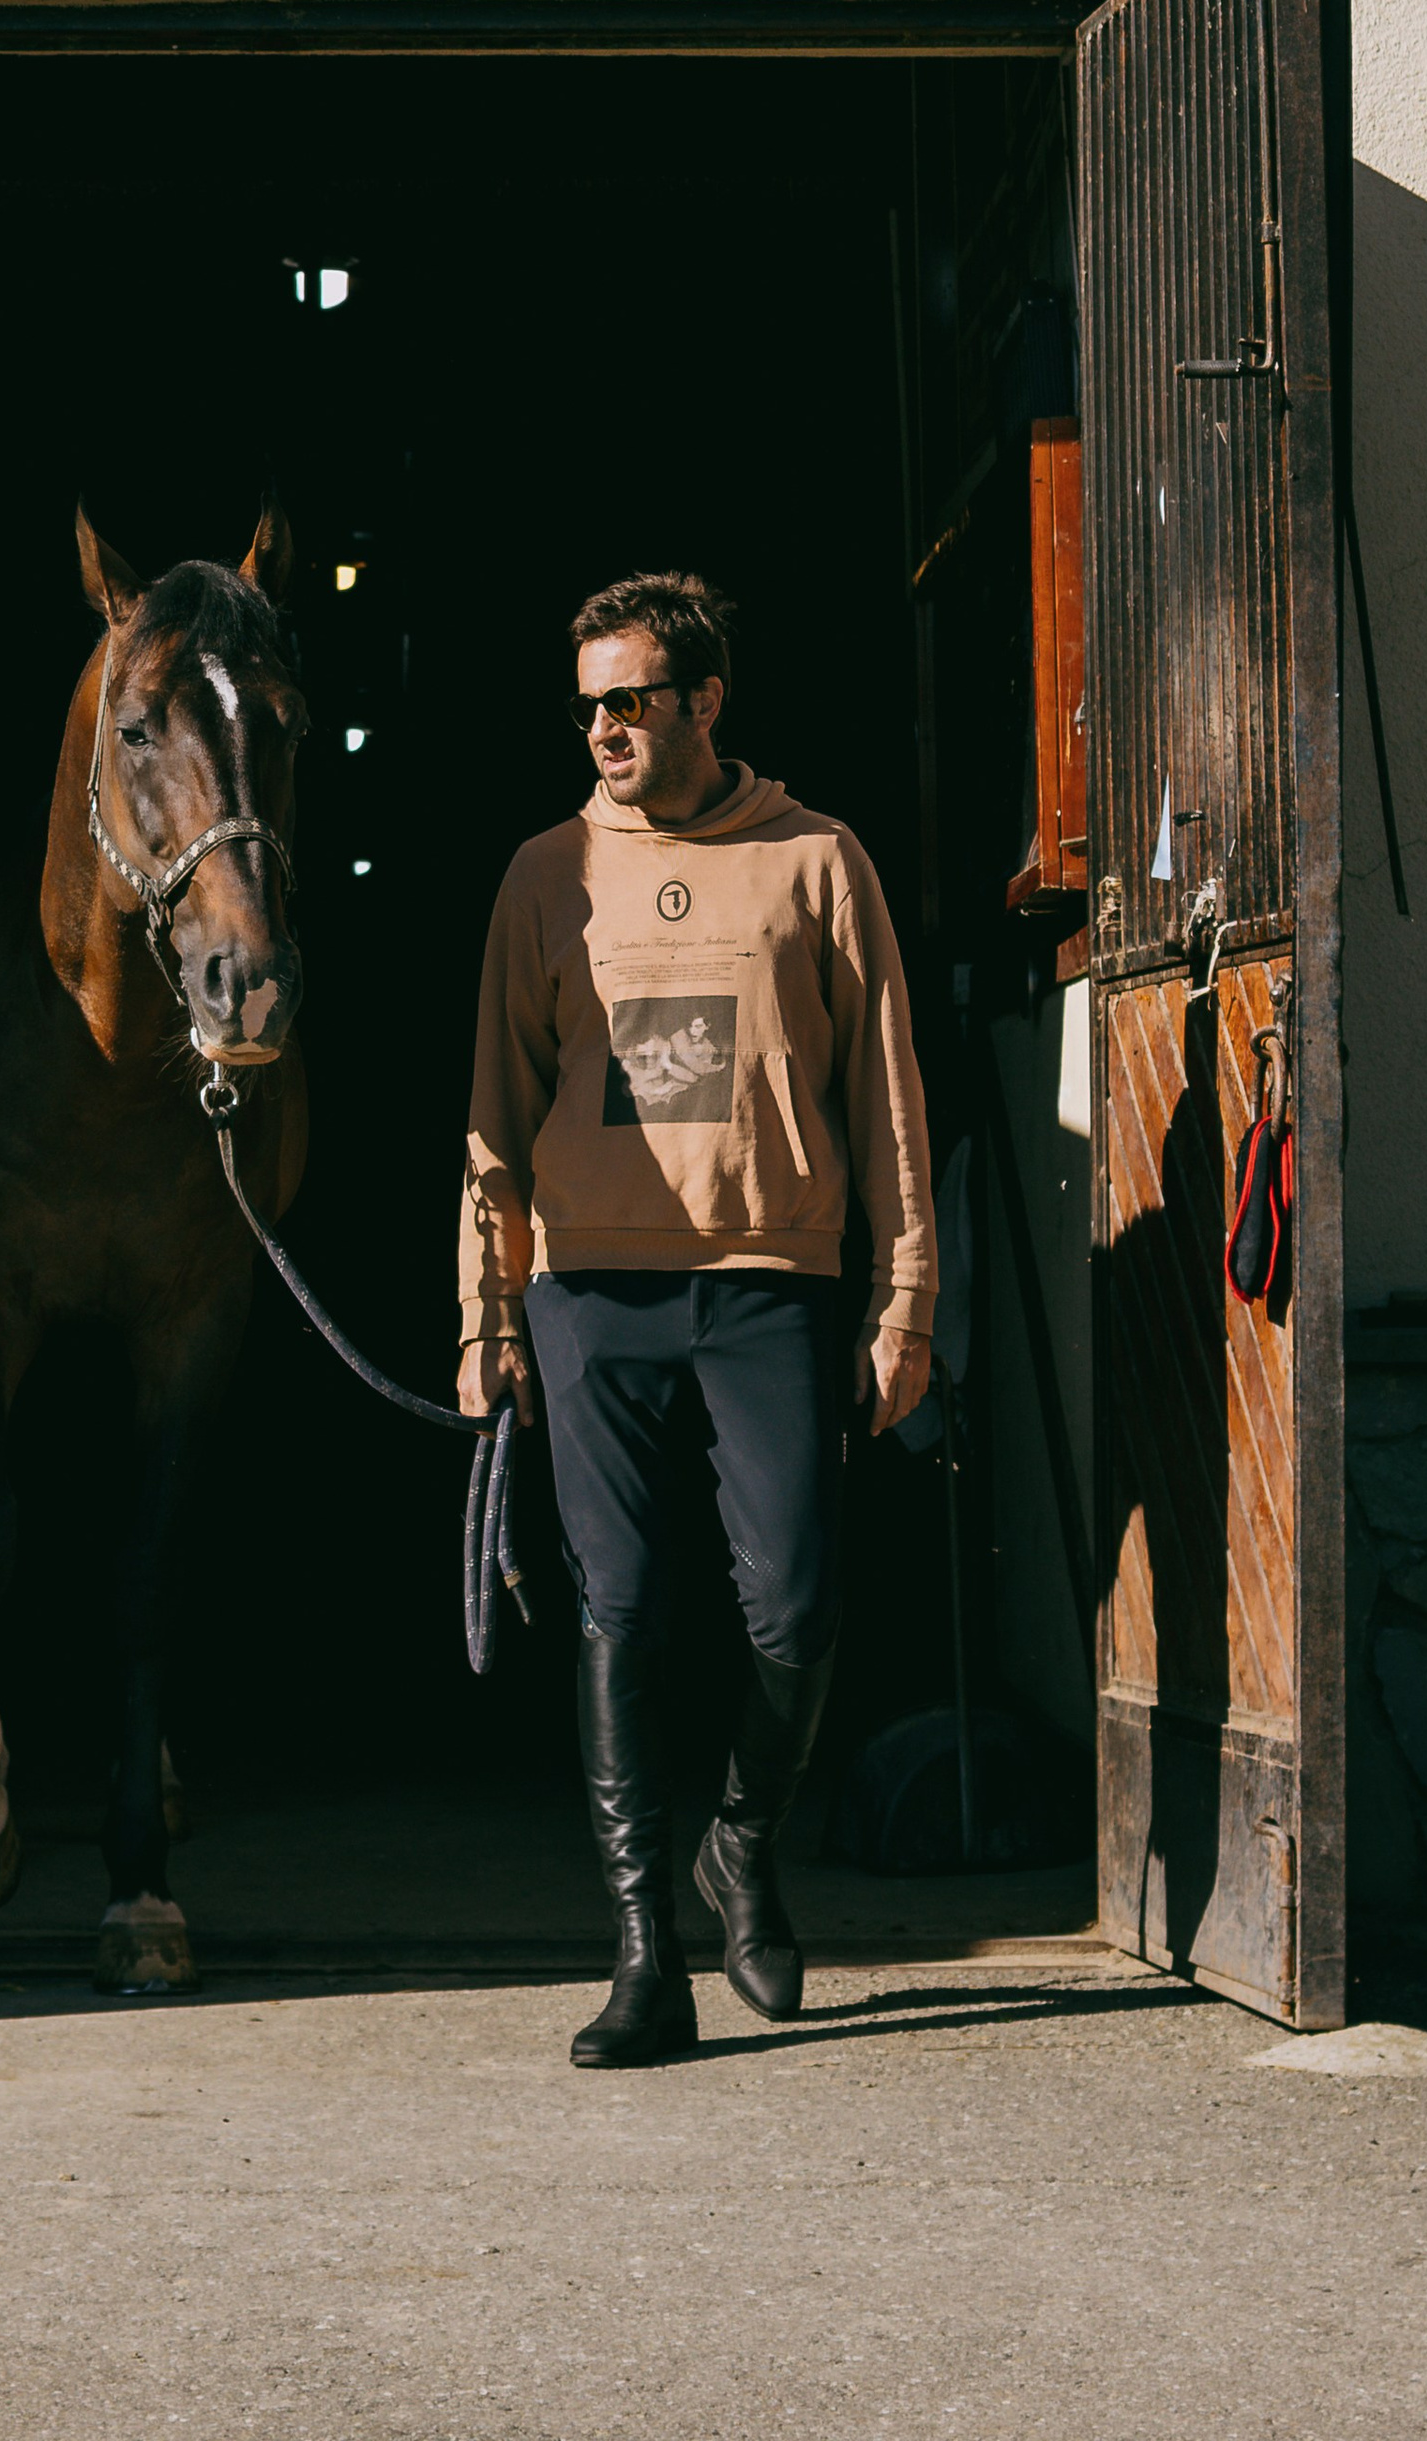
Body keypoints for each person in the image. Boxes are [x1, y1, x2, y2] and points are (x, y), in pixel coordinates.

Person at [457, 569, 936, 2069]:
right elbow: (494, 1110)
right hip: (592, 1288)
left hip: (768, 1282)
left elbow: (890, 1102)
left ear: (706, 700)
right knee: (618, 1610)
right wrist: (487, 1312)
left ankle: (741, 1837)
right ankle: (642, 1955)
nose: (601, 725)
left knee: (796, 1603)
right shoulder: (546, 873)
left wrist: (907, 1294)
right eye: (586, 700)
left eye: (631, 698)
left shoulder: (818, 861)